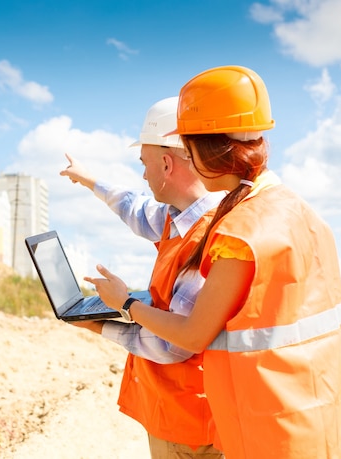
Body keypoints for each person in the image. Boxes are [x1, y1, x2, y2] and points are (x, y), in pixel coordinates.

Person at [84, 66, 341, 458]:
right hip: (316, 409)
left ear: (206, 149)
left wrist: (126, 305)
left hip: (272, 425)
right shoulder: (291, 208)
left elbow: (191, 335)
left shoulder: (240, 231)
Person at [60, 97, 225, 458]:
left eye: (144, 164)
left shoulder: (205, 240)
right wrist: (89, 180)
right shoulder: (179, 217)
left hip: (189, 425)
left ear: (166, 163)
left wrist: (110, 318)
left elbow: (174, 344)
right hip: (178, 413)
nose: (143, 174)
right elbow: (134, 207)